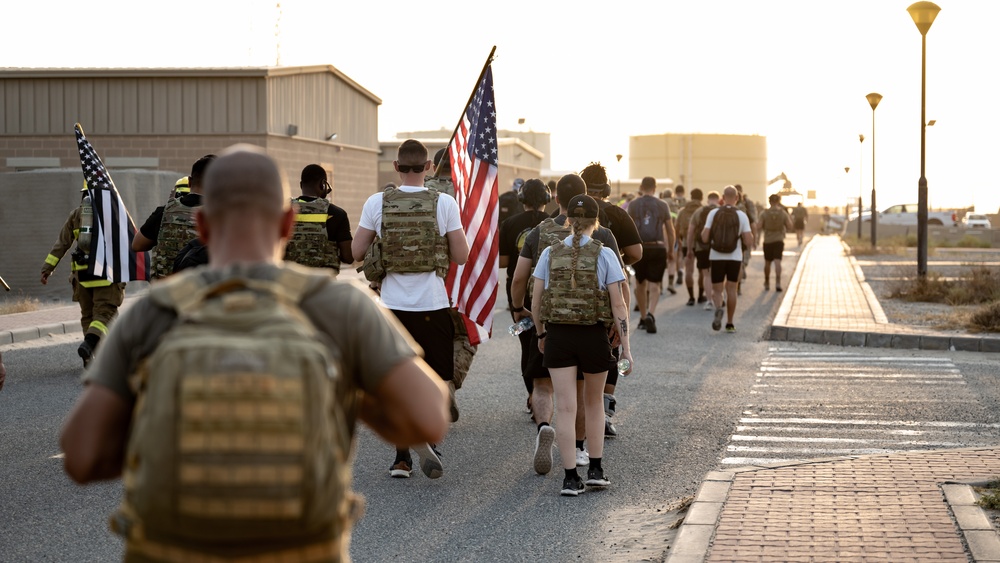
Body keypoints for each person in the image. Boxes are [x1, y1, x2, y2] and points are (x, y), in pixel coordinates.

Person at [60, 144, 450, 562]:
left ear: (203, 225)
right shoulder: (340, 308)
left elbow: (82, 455)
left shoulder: (155, 312)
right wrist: (353, 397)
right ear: (286, 223)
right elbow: (428, 417)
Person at [352, 139, 470, 480]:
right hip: (432, 304)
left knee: (394, 378)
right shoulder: (444, 202)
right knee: (436, 377)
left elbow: (357, 252)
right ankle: (430, 433)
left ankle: (402, 458)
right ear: (428, 168)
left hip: (392, 306)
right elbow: (461, 257)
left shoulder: (378, 202)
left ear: (396, 167)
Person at [510, 174, 624, 474]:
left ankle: (545, 428)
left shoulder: (540, 235)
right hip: (591, 326)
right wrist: (620, 328)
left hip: (549, 324)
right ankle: (579, 449)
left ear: (556, 199)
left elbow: (520, 277)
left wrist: (518, 309)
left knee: (544, 387)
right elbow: (619, 292)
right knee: (587, 393)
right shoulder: (604, 239)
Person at [530, 194, 632, 496]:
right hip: (593, 336)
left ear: (569, 220)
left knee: (564, 407)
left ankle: (571, 478)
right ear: (595, 222)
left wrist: (540, 334)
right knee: (593, 404)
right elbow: (619, 304)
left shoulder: (549, 252)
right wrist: (625, 346)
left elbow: (536, 301)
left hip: (559, 337)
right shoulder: (605, 254)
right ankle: (597, 469)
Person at [579, 162, 641, 438]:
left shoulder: (571, 214)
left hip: (570, 296)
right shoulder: (615, 214)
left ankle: (576, 417)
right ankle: (603, 412)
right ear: (606, 188)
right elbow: (636, 252)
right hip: (607, 293)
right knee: (610, 351)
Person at [41, 181, 126, 366]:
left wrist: (47, 268)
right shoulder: (114, 213)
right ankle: (89, 345)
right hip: (107, 274)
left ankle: (90, 356)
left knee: (88, 315)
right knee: (104, 313)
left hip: (82, 275)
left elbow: (62, 243)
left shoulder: (77, 214)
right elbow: (127, 243)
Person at [499, 179, 552, 411]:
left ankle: (533, 396)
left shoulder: (510, 223)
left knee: (525, 343)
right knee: (546, 341)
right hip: (547, 291)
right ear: (547, 200)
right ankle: (544, 393)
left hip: (519, 293)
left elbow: (503, 262)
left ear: (521, 199)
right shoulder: (553, 223)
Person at [133, 155, 216, 279]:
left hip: (164, 292)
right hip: (199, 291)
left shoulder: (165, 211)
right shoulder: (221, 216)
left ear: (189, 181)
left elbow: (137, 245)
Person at [702, 185, 755, 333]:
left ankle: (719, 308)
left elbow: (705, 237)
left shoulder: (713, 213)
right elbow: (749, 240)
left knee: (717, 291)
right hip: (734, 256)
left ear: (722, 198)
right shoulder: (741, 215)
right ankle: (730, 323)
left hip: (716, 255)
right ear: (737, 198)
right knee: (732, 289)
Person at [283, 164, 353, 274]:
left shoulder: (285, 211)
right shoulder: (337, 214)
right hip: (324, 286)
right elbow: (348, 257)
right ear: (323, 184)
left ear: (301, 185)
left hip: (291, 284)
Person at [627, 177, 675, 334]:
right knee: (655, 285)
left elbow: (629, 227)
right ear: (655, 188)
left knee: (640, 284)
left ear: (641, 187)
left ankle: (642, 316)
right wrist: (671, 250)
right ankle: (651, 314)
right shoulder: (663, 205)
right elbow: (670, 229)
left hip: (640, 248)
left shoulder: (633, 204)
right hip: (658, 247)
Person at [689, 191, 720, 311]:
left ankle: (709, 301)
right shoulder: (721, 211)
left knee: (706, 274)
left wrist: (690, 248)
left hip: (701, 247)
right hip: (718, 248)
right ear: (718, 199)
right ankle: (720, 298)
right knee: (718, 274)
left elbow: (691, 231)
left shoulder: (699, 211)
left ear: (707, 200)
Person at [758, 194, 794, 292]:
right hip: (779, 239)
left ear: (769, 201)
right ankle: (778, 283)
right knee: (778, 261)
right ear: (778, 201)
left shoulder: (764, 213)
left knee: (767, 262)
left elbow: (759, 226)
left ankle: (767, 282)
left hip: (768, 240)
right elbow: (790, 226)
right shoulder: (782, 213)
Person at [676, 188, 705, 305]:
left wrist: (678, 240)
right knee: (702, 271)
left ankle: (691, 297)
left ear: (691, 197)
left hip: (685, 243)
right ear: (702, 198)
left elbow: (676, 228)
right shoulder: (703, 210)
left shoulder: (683, 211)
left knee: (689, 270)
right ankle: (700, 296)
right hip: (701, 244)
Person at [734, 184, 758, 295]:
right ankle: (737, 286)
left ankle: (733, 284)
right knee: (741, 263)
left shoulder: (725, 208)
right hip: (742, 239)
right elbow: (753, 223)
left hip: (727, 241)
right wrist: (754, 239)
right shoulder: (745, 209)